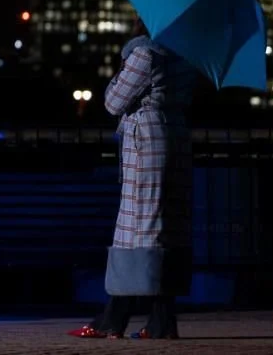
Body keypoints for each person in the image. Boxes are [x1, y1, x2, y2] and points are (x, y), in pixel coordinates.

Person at [69, 19, 198, 340]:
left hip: (147, 144)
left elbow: (114, 102)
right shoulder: (186, 54)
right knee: (163, 227)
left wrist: (122, 67)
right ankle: (158, 320)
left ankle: (115, 318)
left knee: (140, 230)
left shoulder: (146, 53)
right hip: (176, 138)